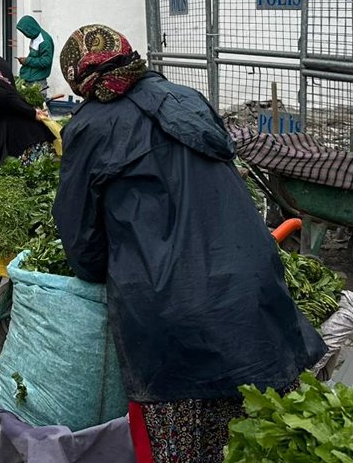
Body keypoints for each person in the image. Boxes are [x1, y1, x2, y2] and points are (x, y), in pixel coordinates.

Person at [52, 25, 325, 463]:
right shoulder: (188, 99)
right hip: (249, 284)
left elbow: (80, 236)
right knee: (257, 435)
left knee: (180, 441)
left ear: (80, 80)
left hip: (165, 304)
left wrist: (105, 271)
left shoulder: (89, 127)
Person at [15, 15, 55, 93]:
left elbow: (46, 61)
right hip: (30, 77)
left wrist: (27, 61)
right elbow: (35, 56)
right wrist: (25, 60)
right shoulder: (34, 37)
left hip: (37, 81)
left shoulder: (44, 41)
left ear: (30, 28)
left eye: (25, 32)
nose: (25, 34)